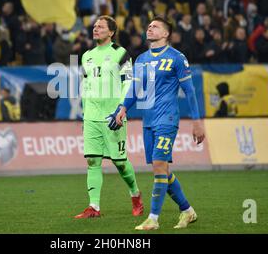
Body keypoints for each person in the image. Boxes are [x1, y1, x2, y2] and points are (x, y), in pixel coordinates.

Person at [107, 17, 204, 230]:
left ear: (166, 33)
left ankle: (153, 218)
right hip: (147, 120)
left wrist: (197, 122)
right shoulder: (141, 59)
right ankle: (188, 211)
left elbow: (189, 91)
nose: (150, 28)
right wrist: (122, 109)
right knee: (161, 170)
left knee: (160, 166)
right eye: (148, 25)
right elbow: (133, 89)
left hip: (167, 118)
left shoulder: (177, 58)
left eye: (155, 26)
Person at [74, 15, 144, 219]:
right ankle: (93, 207)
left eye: (101, 26)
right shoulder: (86, 55)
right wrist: (85, 115)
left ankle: (135, 194)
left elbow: (128, 83)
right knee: (92, 161)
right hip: (92, 117)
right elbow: (86, 87)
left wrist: (122, 109)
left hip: (113, 116)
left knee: (120, 162)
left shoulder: (121, 53)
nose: (95, 29)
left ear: (111, 32)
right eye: (95, 26)